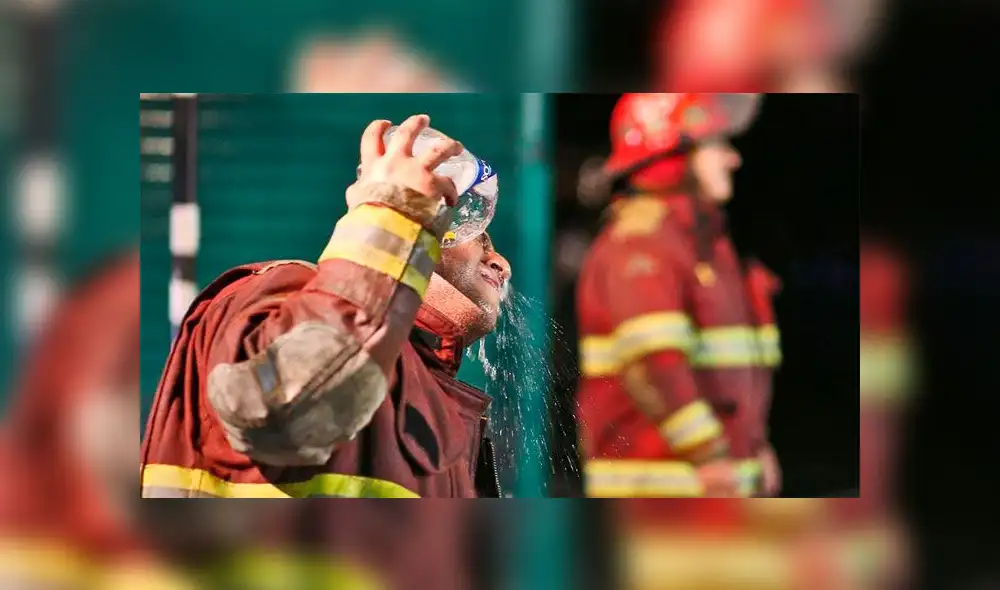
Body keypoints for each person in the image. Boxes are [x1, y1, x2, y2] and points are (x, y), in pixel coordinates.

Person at [140, 114, 511, 498]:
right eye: (480, 240)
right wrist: (396, 214)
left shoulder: (429, 392)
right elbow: (285, 409)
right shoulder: (273, 292)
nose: (503, 263)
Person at [575, 93, 782, 498]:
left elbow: (729, 378)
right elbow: (654, 364)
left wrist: (755, 448)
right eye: (717, 145)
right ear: (673, 153)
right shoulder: (643, 244)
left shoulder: (699, 243)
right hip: (664, 490)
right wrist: (711, 456)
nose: (732, 159)